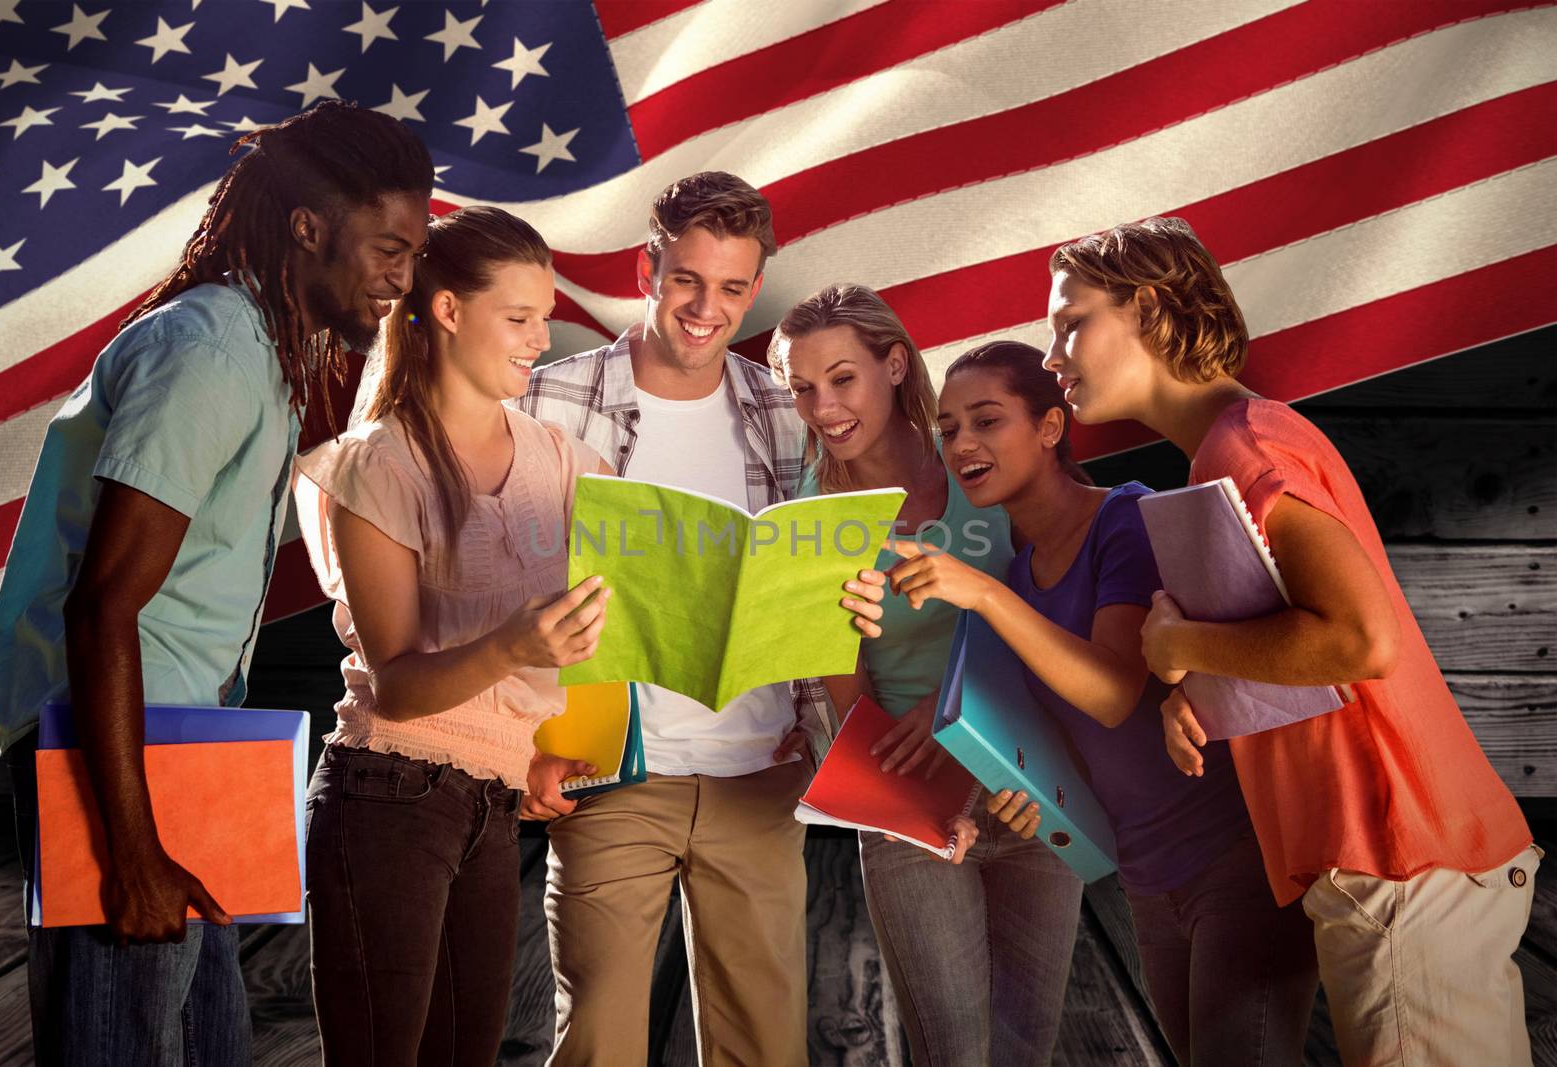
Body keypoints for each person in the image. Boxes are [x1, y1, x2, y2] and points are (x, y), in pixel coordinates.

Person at [0, 101, 433, 1066]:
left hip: (183, 747)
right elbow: (104, 603)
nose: (403, 275)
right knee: (120, 1043)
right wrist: (132, 847)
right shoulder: (211, 350)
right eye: (388, 247)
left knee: (207, 1039)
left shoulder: (264, 347)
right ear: (310, 226)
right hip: (119, 758)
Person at [1044, 216, 1536, 1066]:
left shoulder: (1249, 446)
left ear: (1152, 309)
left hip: (1399, 861)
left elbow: (1357, 640)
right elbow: (1287, 650)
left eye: (1070, 321)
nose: (1053, 356)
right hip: (1387, 863)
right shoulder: (1224, 452)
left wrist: (1181, 642)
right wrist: (1191, 686)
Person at [515, 172, 884, 1065]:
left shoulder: (783, 415)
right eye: (686, 279)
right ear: (648, 266)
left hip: (759, 773)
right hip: (610, 772)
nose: (704, 308)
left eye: (729, 288)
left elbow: (822, 583)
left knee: (766, 1045)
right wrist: (522, 741)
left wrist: (853, 602)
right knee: (598, 1041)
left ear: (755, 289)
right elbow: (497, 585)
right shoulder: (548, 403)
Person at [879, 339, 1320, 1065]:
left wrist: (982, 593)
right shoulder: (1019, 578)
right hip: (1147, 882)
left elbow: (1117, 690)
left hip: (1235, 862)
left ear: (1051, 426)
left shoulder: (1126, 517)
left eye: (987, 421)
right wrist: (1015, 802)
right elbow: (1063, 746)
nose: (963, 444)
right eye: (950, 429)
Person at [293, 206, 612, 1066]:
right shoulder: (377, 464)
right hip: (386, 794)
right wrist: (512, 645)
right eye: (519, 317)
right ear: (446, 311)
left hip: (497, 801)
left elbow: (597, 636)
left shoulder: (569, 460)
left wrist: (539, 744)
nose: (540, 338)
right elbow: (396, 683)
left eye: (545, 317)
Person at [768, 285, 1083, 1065]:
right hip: (911, 801)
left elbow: (1058, 614)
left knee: (1026, 1049)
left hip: (1030, 783)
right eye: (802, 387)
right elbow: (851, 699)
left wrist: (965, 725)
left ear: (896, 363)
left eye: (842, 378)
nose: (823, 407)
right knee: (953, 1051)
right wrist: (924, 802)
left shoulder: (983, 455)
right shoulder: (813, 512)